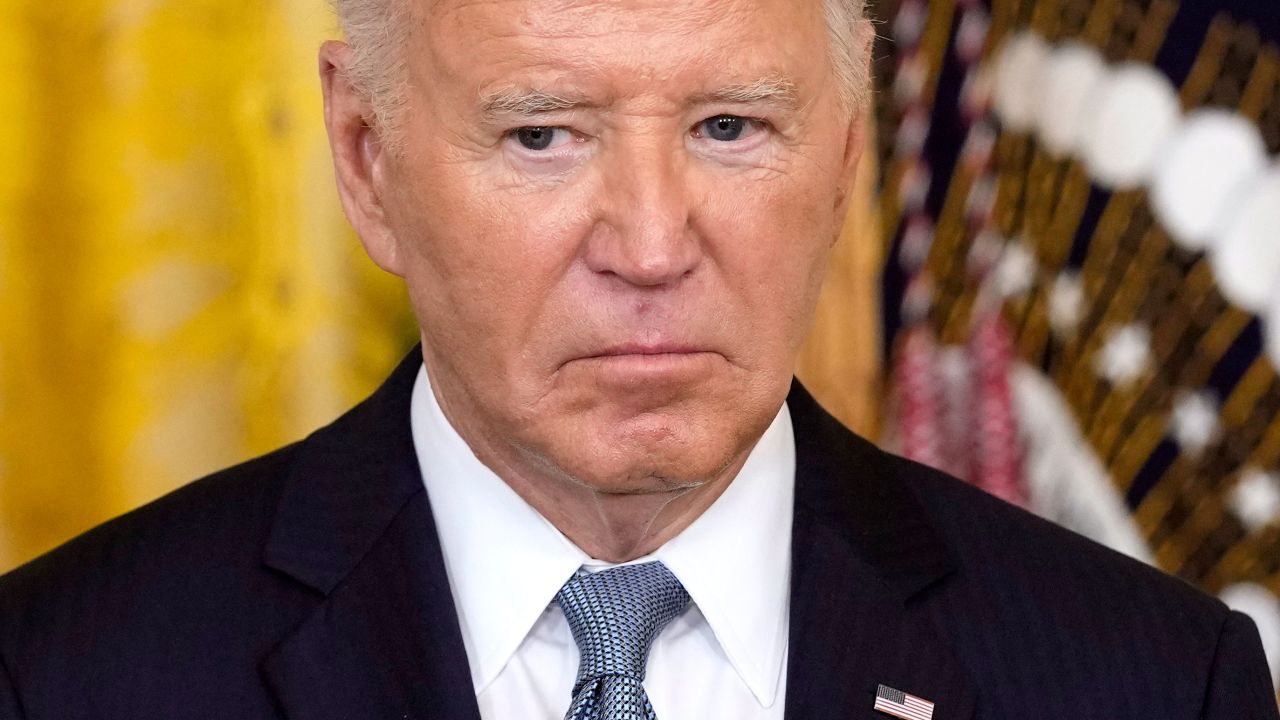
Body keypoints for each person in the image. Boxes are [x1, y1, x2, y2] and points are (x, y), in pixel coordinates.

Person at [0, 0, 1275, 717]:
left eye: (730, 127)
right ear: (364, 157)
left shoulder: (1157, 687)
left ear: (844, 159)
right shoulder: (61, 678)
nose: (653, 246)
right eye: (544, 135)